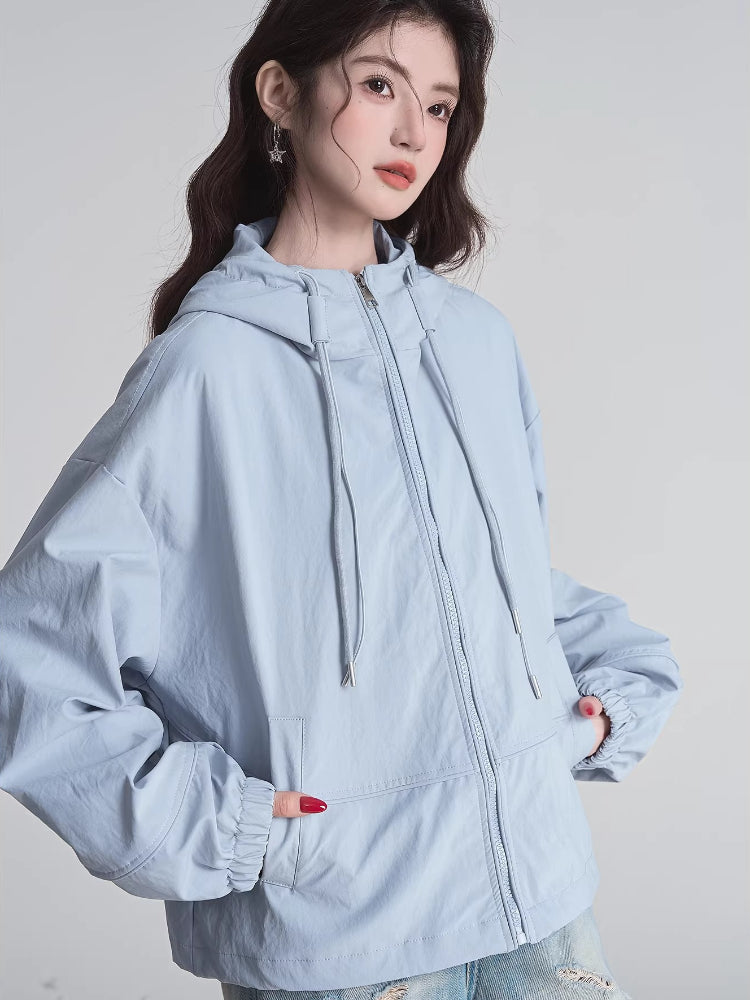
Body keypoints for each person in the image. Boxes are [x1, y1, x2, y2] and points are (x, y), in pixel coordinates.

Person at [0, 2, 683, 998]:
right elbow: (34, 653)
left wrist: (601, 703)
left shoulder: (475, 344)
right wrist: (229, 829)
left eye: (439, 106)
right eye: (378, 85)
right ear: (280, 93)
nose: (414, 132)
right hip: (346, 936)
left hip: (543, 912)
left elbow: (493, 587)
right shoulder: (206, 371)